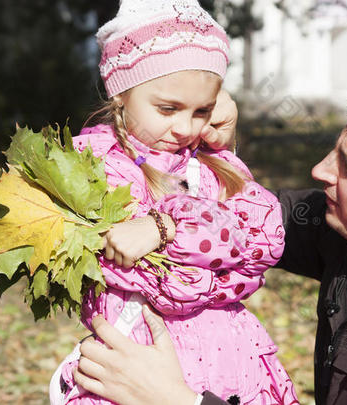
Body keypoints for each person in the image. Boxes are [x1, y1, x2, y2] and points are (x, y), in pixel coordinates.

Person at [72, 73, 347, 405]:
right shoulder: (346, 225)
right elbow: (239, 222)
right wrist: (203, 121)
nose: (320, 172)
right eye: (334, 150)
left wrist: (177, 400)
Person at [49, 1, 299, 404]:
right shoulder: (89, 169)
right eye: (167, 108)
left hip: (234, 365)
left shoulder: (214, 164)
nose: (184, 128)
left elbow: (266, 237)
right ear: (120, 94)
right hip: (134, 371)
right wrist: (223, 267)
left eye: (202, 111)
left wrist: (163, 227)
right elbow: (147, 276)